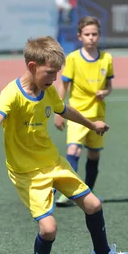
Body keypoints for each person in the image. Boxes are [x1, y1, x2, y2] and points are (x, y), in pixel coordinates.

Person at [0, 36, 117, 254]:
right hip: (27, 173)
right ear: (32, 66)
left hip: (53, 162)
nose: (54, 78)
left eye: (57, 73)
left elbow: (64, 110)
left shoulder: (47, 91)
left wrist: (92, 124)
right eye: (50, 72)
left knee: (93, 204)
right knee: (48, 228)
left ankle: (101, 252)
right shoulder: (12, 93)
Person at [54, 16, 114, 207]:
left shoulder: (107, 58)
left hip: (97, 114)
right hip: (76, 113)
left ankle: (89, 190)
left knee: (94, 154)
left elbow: (110, 86)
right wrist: (58, 111)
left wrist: (105, 92)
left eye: (94, 34)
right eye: (87, 34)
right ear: (80, 36)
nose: (91, 38)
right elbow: (63, 86)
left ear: (99, 35)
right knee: (73, 149)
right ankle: (69, 193)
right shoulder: (72, 58)